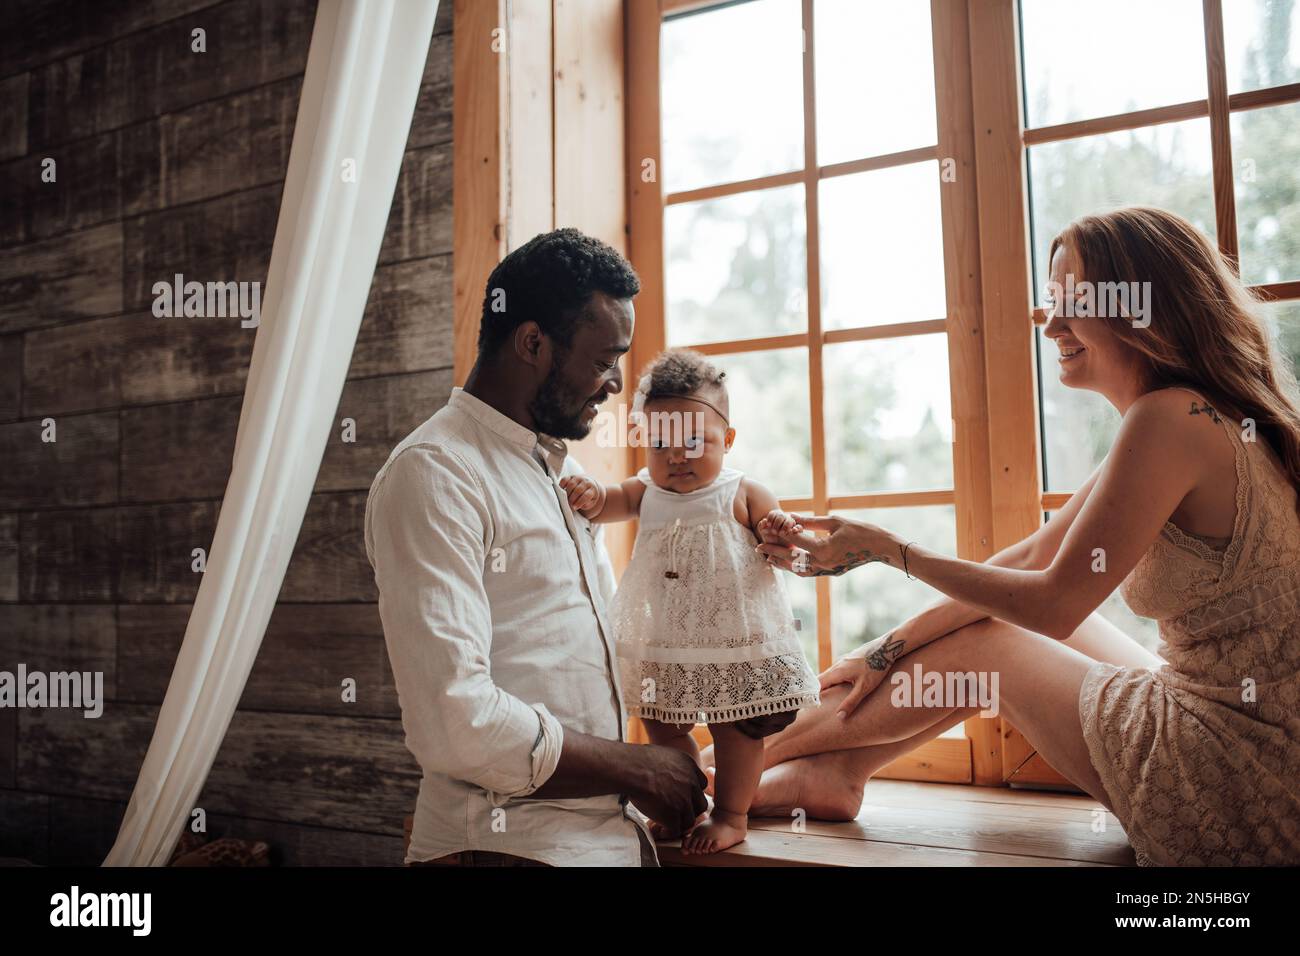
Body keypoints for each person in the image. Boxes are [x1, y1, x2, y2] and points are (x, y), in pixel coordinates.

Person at [748, 206, 1300, 866]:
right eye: (1049, 304)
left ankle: (722, 772)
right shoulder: (1195, 413)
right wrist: (886, 647)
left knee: (998, 641)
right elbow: (1036, 557)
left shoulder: (1170, 419)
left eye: (1073, 304)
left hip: (1248, 776)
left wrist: (890, 550)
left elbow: (1052, 603)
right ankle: (836, 773)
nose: (1052, 325)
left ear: (1142, 310)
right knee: (991, 627)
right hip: (1250, 731)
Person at [364, 228, 789, 867]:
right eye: (602, 360)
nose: (616, 383)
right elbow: (454, 721)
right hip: (506, 850)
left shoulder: (559, 473)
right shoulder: (435, 473)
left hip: (603, 842)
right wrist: (637, 768)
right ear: (532, 341)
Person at [559, 349, 820, 854]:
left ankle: (731, 814)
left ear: (729, 439)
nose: (676, 456)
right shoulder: (645, 490)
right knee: (662, 725)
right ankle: (689, 803)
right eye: (659, 444)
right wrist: (590, 495)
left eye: (693, 442)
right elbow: (608, 503)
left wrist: (781, 531)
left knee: (736, 729)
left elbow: (787, 545)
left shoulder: (741, 491)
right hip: (666, 642)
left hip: (734, 642)